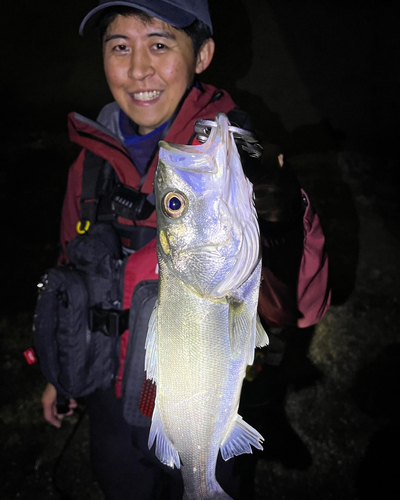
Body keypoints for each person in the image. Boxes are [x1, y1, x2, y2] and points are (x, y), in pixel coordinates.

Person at [40, 1, 331, 498]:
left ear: (202, 54)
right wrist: (61, 373)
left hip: (204, 405)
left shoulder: (235, 159)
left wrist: (279, 222)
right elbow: (73, 267)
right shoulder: (87, 164)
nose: (137, 70)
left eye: (159, 44)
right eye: (119, 47)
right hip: (108, 400)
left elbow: (302, 306)